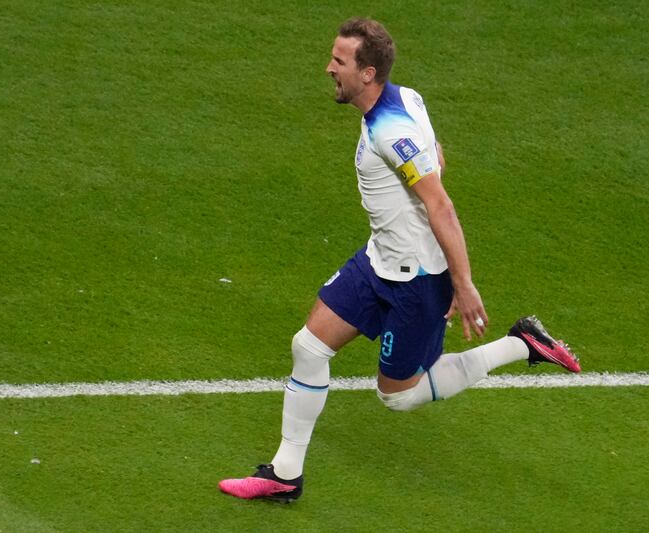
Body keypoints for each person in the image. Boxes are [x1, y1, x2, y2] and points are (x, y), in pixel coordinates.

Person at [219, 17, 579, 503]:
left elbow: (440, 203)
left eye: (339, 61)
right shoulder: (406, 99)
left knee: (399, 395)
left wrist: (462, 283)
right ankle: (285, 474)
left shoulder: (391, 130)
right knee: (308, 347)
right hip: (378, 260)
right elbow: (437, 161)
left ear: (367, 74)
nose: (329, 68)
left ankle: (521, 344)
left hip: (417, 281)